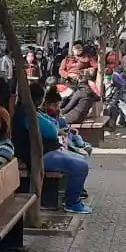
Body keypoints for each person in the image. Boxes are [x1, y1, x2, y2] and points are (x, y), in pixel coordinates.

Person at [33, 84, 91, 214]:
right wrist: (57, 129)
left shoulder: (35, 112)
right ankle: (72, 203)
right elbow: (51, 131)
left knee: (82, 158)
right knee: (80, 165)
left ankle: (73, 196)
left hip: (48, 151)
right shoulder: (30, 113)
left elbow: (53, 125)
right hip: (41, 155)